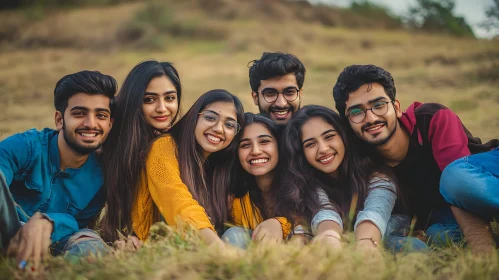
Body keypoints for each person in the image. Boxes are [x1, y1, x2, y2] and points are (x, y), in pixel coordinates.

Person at [332, 64, 497, 253]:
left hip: (487, 176)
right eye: (356, 112)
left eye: (378, 105)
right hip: (446, 212)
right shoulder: (362, 161)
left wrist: (483, 252)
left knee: (454, 176)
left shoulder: (431, 119)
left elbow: (459, 190)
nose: (370, 118)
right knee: (440, 235)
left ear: (396, 107)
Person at [0, 70, 116, 269]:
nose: (91, 123)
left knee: (91, 246)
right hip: (6, 229)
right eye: (79, 113)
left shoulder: (102, 177)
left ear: (110, 123)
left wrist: (49, 222)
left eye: (101, 115)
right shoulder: (26, 146)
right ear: (59, 120)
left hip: (57, 239)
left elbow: (78, 226)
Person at [131, 89, 244, 248]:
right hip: (157, 254)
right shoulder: (165, 147)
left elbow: (243, 214)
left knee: (238, 233)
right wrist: (218, 248)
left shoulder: (217, 168)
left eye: (229, 124)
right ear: (194, 116)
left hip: (194, 252)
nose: (219, 128)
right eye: (210, 117)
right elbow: (176, 200)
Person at [276, 105, 397, 251]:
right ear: (301, 153)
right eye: (310, 144)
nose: (323, 149)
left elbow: (376, 211)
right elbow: (324, 213)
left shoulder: (376, 174)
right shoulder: (305, 183)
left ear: (344, 136)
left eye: (329, 136)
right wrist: (329, 237)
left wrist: (366, 242)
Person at [101, 60, 182, 245]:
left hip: (172, 236)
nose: (162, 108)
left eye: (169, 98)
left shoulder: (178, 142)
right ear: (134, 101)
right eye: (149, 100)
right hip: (126, 239)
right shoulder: (112, 141)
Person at [248, 52, 306, 126]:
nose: (281, 104)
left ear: (300, 94)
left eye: (289, 92)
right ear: (255, 97)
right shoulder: (241, 135)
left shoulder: (316, 134)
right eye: (270, 93)